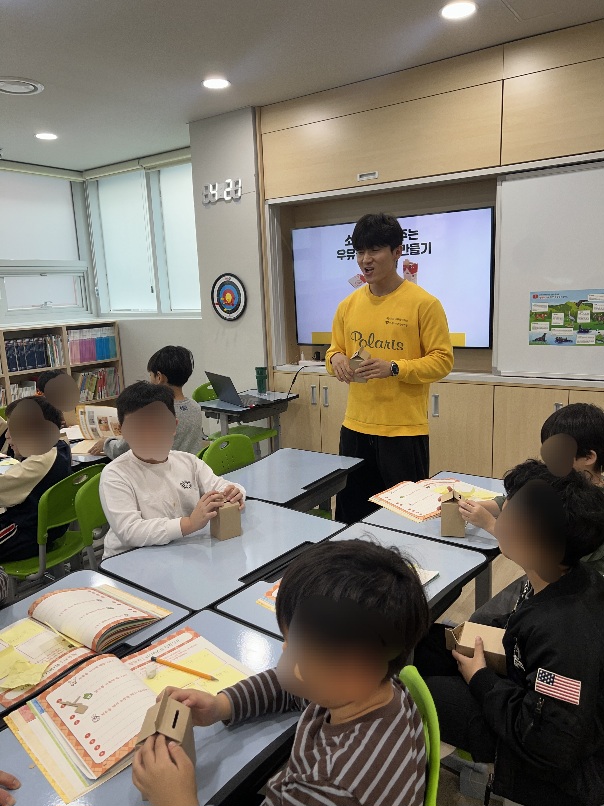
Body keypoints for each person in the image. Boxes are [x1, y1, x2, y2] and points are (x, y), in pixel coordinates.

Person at [132, 539, 431, 806]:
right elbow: (291, 687)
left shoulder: (327, 789)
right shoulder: (376, 686)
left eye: (294, 643)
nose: (285, 647)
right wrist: (221, 705)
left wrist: (175, 799)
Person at [415, 459, 604, 806]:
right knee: (424, 642)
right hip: (524, 686)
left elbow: (550, 742)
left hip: (538, 751)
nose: (500, 518)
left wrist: (482, 678)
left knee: (420, 690)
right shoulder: (563, 576)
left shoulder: (565, 636)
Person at [325, 213, 453, 524]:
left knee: (404, 521)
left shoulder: (424, 304)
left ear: (397, 252)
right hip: (355, 429)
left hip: (402, 432)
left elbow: (442, 360)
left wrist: (394, 368)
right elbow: (334, 351)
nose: (365, 260)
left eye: (374, 250)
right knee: (351, 519)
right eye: (360, 252)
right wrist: (336, 361)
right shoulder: (347, 305)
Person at [461, 402, 604, 623]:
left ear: (588, 458)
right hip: (547, 581)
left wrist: (490, 524)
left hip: (570, 594)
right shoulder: (563, 480)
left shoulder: (590, 509)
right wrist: (480, 505)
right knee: (483, 617)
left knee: (486, 619)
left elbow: (540, 549)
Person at [99, 382, 244, 558]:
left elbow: (221, 485)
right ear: (123, 431)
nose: (149, 434)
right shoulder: (116, 473)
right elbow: (130, 531)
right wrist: (189, 523)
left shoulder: (188, 462)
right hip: (128, 559)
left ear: (173, 426)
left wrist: (234, 493)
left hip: (179, 550)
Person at [91, 346, 205, 458]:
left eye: (150, 375)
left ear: (159, 377)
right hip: (188, 468)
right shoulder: (195, 407)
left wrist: (106, 444)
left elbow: (122, 450)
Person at [0, 397, 72, 563]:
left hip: (26, 532)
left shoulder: (40, 461)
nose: (8, 436)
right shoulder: (59, 447)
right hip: (45, 527)